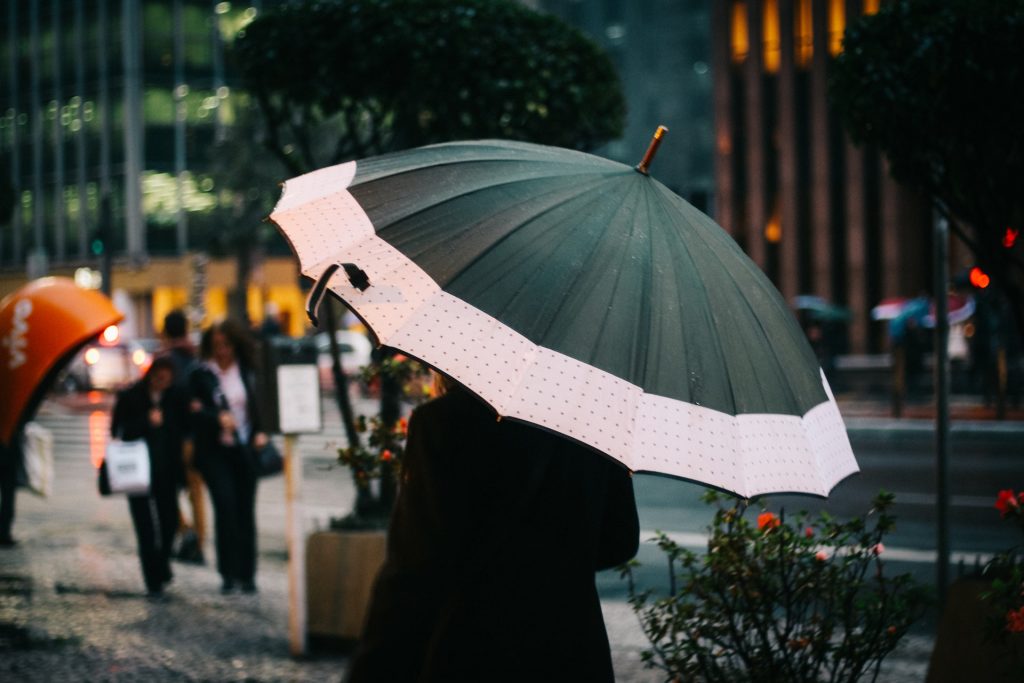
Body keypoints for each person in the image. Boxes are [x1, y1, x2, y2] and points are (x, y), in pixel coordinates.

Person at [346, 375, 640, 683]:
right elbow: (619, 541)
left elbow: (415, 570)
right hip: (571, 651)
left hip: (474, 651)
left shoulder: (443, 421)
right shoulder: (595, 427)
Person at [188, 319, 267, 594]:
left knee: (245, 511)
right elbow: (192, 412)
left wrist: (260, 432)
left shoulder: (246, 371)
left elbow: (259, 406)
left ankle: (248, 574)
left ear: (235, 345)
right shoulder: (202, 374)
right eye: (216, 345)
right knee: (225, 507)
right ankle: (228, 573)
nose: (221, 351)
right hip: (215, 452)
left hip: (245, 449)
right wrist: (215, 418)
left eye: (226, 345)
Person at [110, 356, 187, 598]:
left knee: (169, 523)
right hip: (138, 472)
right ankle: (153, 580)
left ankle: (161, 564)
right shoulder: (132, 395)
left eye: (167, 375)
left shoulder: (175, 397)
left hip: (167, 471)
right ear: (151, 374)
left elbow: (183, 429)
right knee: (145, 529)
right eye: (159, 374)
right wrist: (146, 422)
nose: (162, 379)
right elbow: (117, 430)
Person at [161, 309, 206, 565]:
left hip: (173, 437)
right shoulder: (195, 358)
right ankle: (198, 543)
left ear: (166, 331)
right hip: (195, 435)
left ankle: (186, 531)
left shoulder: (165, 361)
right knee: (196, 491)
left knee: (165, 489)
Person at [0, 432, 22, 548]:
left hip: (8, 452)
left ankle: (4, 533)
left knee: (8, 495)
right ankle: (4, 533)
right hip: (8, 452)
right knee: (8, 495)